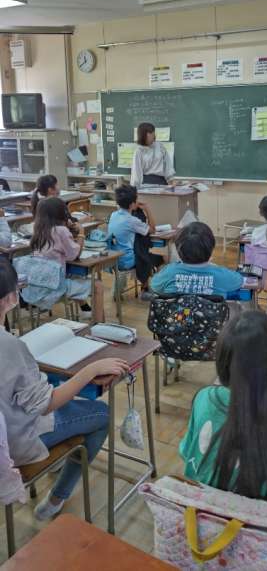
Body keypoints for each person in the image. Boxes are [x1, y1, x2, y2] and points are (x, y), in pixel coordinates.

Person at [0, 257, 129, 521]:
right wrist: (91, 370)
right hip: (13, 446)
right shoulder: (9, 346)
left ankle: (57, 464)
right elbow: (46, 404)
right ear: (10, 298)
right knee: (101, 415)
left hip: (8, 428)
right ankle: (57, 498)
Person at [179, 310, 267, 544]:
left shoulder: (204, 399)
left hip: (202, 533)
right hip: (263, 549)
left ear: (222, 362)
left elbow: (187, 455)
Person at [30, 197, 104, 321]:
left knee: (74, 275)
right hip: (55, 288)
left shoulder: (38, 230)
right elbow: (75, 255)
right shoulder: (61, 231)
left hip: (38, 285)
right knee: (98, 285)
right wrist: (81, 232)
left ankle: (85, 309)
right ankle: (98, 325)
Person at [151, 221, 243, 297]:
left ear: (179, 250)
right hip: (211, 314)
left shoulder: (170, 271)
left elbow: (154, 286)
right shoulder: (221, 274)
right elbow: (239, 280)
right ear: (211, 248)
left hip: (176, 314)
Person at [107, 184, 163, 299]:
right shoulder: (131, 221)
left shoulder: (113, 215)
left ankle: (143, 287)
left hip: (113, 258)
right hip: (127, 260)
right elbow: (152, 229)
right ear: (132, 204)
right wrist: (147, 209)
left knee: (141, 249)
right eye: (136, 199)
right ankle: (147, 290)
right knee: (161, 259)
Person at [131, 122, 175, 188]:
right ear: (144, 135)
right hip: (146, 184)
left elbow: (168, 165)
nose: (153, 136)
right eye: (150, 134)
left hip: (161, 182)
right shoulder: (139, 151)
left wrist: (171, 180)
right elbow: (136, 172)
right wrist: (135, 188)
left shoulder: (160, 146)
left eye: (153, 133)